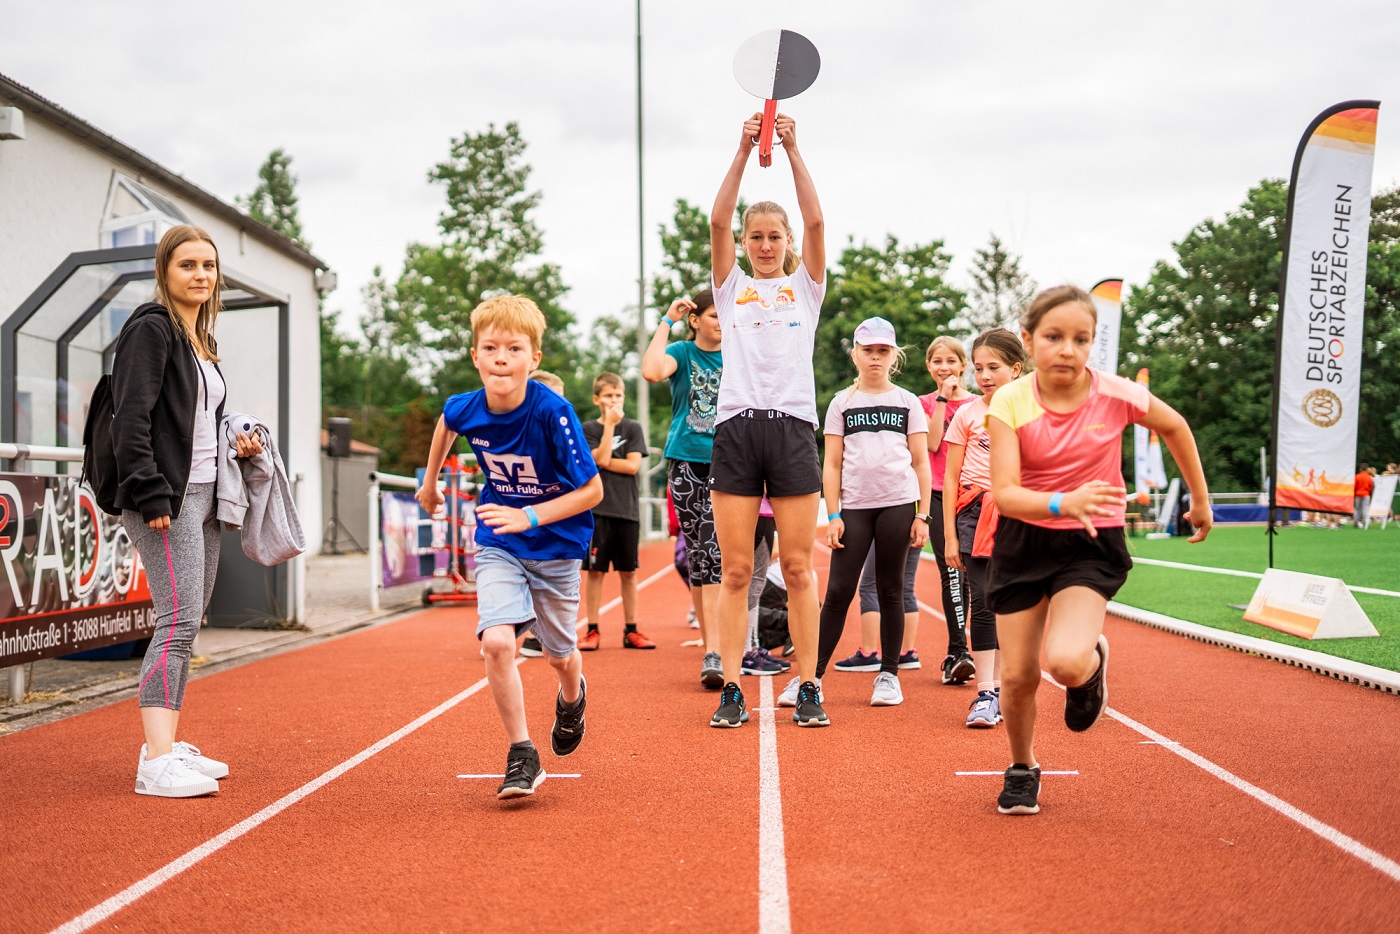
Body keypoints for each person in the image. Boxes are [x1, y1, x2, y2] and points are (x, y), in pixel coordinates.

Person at [986, 284, 1212, 815]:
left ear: (1092, 345)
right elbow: (1006, 494)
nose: (1067, 349)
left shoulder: (1115, 394)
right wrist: (1066, 500)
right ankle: (1022, 767)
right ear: (1029, 340)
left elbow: (1175, 425)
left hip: (1091, 543)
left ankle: (1089, 666)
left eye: (1080, 339)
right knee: (1016, 677)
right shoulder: (1010, 399)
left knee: (1063, 662)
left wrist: (1199, 501)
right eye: (1054, 337)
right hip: (1025, 538)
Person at [417, 295, 604, 800]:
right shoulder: (466, 406)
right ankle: (522, 753)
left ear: (533, 359)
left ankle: (572, 696)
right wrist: (431, 482)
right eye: (490, 347)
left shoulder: (553, 413)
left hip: (558, 546)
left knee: (561, 655)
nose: (501, 357)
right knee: (498, 642)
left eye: (514, 348)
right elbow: (446, 423)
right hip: (499, 540)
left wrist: (530, 514)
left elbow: (593, 492)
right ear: (476, 356)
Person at [113, 225, 263, 798]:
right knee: (174, 624)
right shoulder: (150, 330)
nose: (201, 274)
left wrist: (238, 443)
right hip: (167, 501)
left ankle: (167, 742)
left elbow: (195, 425)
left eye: (209, 265)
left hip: (204, 494)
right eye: (188, 265)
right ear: (164, 272)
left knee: (187, 624)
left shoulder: (201, 338)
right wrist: (151, 494)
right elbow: (130, 420)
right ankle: (154, 763)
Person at [707, 110, 828, 728]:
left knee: (801, 565)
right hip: (737, 429)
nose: (762, 244)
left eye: (771, 236)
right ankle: (731, 686)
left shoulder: (805, 288)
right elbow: (715, 221)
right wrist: (740, 149)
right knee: (736, 570)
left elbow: (815, 219)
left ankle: (809, 686)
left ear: (786, 243)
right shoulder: (729, 290)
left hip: (790, 428)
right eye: (755, 236)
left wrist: (792, 150)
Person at [815, 317, 931, 710]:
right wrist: (833, 515)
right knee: (837, 592)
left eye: (883, 351)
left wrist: (923, 515)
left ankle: (889, 674)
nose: (875, 358)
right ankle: (811, 678)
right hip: (855, 508)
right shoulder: (841, 403)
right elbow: (830, 464)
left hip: (898, 504)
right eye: (868, 351)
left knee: (891, 589)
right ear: (855, 354)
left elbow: (920, 462)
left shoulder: (907, 402)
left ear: (893, 355)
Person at [944, 328, 1025, 730]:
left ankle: (1015, 685)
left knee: (1020, 603)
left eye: (994, 367)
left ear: (1016, 368)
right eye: (978, 368)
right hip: (973, 514)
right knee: (983, 602)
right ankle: (986, 693)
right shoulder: (966, 413)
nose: (985, 376)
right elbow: (950, 477)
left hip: (1019, 513)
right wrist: (948, 536)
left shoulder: (1034, 411)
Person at [642, 292, 724, 684]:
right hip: (687, 461)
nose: (721, 322)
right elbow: (652, 371)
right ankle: (712, 650)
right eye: (713, 315)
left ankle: (719, 650)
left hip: (729, 465)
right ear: (696, 320)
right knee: (698, 556)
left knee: (717, 554)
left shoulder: (739, 355)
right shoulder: (683, 352)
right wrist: (666, 320)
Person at [580, 372, 654, 650]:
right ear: (597, 399)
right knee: (595, 573)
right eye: (609, 395)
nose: (614, 400)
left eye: (619, 395)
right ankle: (592, 630)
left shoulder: (633, 428)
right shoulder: (588, 429)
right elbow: (595, 461)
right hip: (597, 511)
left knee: (628, 572)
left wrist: (603, 460)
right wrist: (609, 427)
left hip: (627, 511)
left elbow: (632, 466)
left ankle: (631, 630)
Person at [922, 336, 977, 685]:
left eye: (951, 361)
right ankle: (958, 651)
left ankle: (987, 649)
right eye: (937, 361)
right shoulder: (924, 403)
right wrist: (943, 397)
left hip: (973, 497)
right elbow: (931, 443)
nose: (944, 368)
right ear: (929, 366)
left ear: (963, 365)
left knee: (977, 574)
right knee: (952, 573)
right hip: (940, 496)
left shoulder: (977, 404)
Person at [1354, 464, 1374, 529]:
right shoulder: (1369, 477)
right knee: (1365, 509)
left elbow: (1354, 486)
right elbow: (1370, 487)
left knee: (1357, 509)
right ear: (1367, 469)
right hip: (1366, 494)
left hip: (1358, 494)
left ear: (1360, 469)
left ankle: (1356, 522)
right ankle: (1366, 522)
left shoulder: (1356, 476)